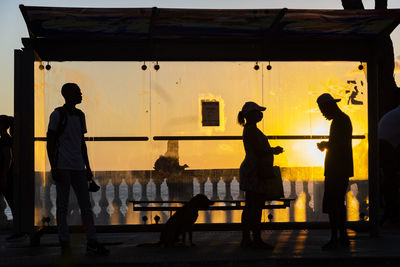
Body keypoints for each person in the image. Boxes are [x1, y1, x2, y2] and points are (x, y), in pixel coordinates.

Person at [47, 83, 109, 256]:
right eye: (78, 92)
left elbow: (81, 143)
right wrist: (54, 166)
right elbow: (50, 142)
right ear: (68, 95)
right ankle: (65, 242)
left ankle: (91, 241)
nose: (81, 94)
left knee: (85, 206)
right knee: (63, 206)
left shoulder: (80, 115)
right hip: (64, 167)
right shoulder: (57, 115)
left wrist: (87, 167)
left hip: (77, 167)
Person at [238, 101, 284, 249]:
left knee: (251, 205)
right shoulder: (251, 130)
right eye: (257, 112)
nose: (260, 114)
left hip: (254, 170)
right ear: (251, 115)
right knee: (255, 206)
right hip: (254, 171)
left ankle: (248, 238)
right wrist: (273, 150)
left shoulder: (251, 129)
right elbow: (259, 151)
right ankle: (254, 239)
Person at [316, 93, 353, 250]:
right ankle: (342, 237)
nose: (323, 114)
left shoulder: (340, 121)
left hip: (336, 168)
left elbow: (339, 145)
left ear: (328, 107)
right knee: (338, 203)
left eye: (323, 110)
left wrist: (326, 145)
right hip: (341, 168)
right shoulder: (342, 120)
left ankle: (335, 238)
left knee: (334, 204)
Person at [378, 104, 400, 227]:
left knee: (389, 179)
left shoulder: (395, 113)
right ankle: (391, 213)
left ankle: (390, 210)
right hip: (386, 147)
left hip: (384, 146)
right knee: (390, 180)